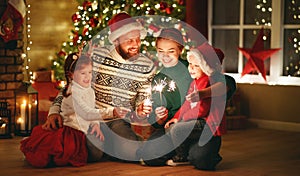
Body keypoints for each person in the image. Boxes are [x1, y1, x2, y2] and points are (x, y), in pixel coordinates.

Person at [42, 12, 156, 162]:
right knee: (93, 153)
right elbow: (71, 87)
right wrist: (53, 111)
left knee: (130, 153)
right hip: (92, 118)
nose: (135, 45)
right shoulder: (96, 56)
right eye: (129, 40)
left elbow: (140, 104)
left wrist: (141, 111)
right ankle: (109, 147)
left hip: (118, 120)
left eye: (137, 39)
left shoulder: (146, 66)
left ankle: (119, 145)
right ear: (116, 41)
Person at [20, 53, 126, 167]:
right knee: (61, 155)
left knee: (95, 151)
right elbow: (86, 112)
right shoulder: (72, 92)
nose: (88, 77)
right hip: (72, 132)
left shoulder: (89, 90)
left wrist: (95, 124)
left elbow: (92, 107)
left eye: (90, 72)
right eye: (83, 73)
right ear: (71, 75)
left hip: (87, 128)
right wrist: (112, 111)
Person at [164, 42, 228, 170]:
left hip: (207, 123)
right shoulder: (195, 82)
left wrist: (184, 118)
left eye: (196, 66)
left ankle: (181, 157)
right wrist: (176, 117)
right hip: (196, 121)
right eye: (190, 65)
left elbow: (202, 110)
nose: (191, 69)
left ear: (206, 67)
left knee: (177, 130)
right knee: (173, 127)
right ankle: (187, 150)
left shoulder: (208, 81)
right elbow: (188, 103)